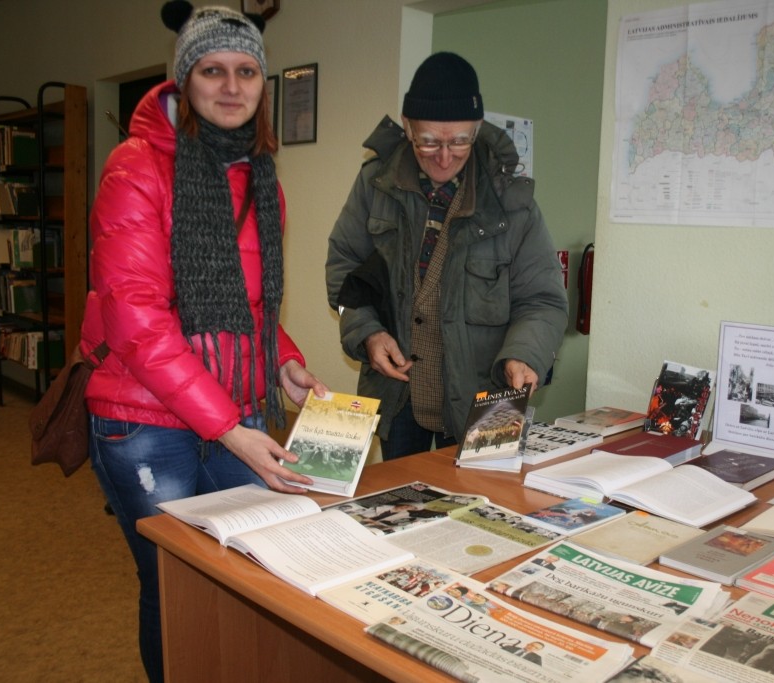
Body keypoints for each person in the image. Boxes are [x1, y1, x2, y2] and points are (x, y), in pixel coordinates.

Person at [79, 3, 326, 680]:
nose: (231, 86)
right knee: (175, 581)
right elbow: (136, 320)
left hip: (232, 409)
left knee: (255, 564)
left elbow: (249, 305)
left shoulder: (261, 177)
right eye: (212, 70)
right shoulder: (136, 168)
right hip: (145, 420)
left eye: (247, 71)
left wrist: (284, 360)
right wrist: (228, 427)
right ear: (184, 79)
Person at [325, 51, 568, 460]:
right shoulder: (375, 184)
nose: (444, 156)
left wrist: (524, 355)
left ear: (477, 129)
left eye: (459, 141)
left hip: (488, 396)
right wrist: (367, 332)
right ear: (407, 126)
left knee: (485, 496)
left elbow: (543, 300)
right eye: (429, 141)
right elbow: (345, 268)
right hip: (399, 395)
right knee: (403, 495)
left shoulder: (512, 202)